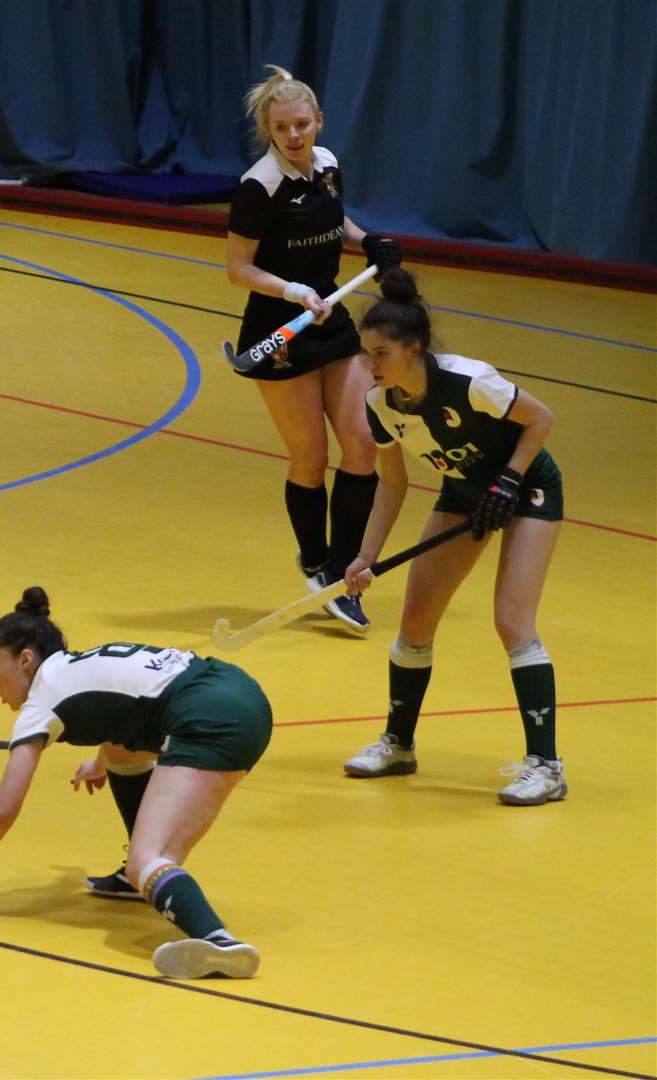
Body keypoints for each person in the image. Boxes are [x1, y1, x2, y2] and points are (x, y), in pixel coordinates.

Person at [0, 588, 272, 980]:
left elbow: (4, 807)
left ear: (25, 660)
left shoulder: (41, 702)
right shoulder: (72, 666)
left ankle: (218, 941)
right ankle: (139, 880)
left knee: (148, 858)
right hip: (236, 691)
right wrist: (102, 761)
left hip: (210, 716)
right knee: (120, 750)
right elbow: (127, 706)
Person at [341, 268, 566, 805]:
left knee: (512, 620)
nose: (368, 365)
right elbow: (392, 483)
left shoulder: (470, 381)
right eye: (364, 354)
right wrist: (366, 556)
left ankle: (547, 767)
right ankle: (398, 743)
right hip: (466, 492)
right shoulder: (380, 406)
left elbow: (541, 419)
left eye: (380, 355)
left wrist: (509, 479)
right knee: (415, 623)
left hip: (528, 486)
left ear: (413, 350)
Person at [225, 64, 405, 634]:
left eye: (303, 124)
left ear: (319, 122)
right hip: (279, 333)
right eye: (283, 128)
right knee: (311, 459)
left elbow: (333, 221)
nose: (295, 136)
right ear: (269, 130)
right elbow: (238, 268)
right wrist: (294, 290)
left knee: (361, 445)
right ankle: (314, 559)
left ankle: (339, 575)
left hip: (330, 321)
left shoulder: (327, 166)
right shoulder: (259, 186)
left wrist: (365, 239)